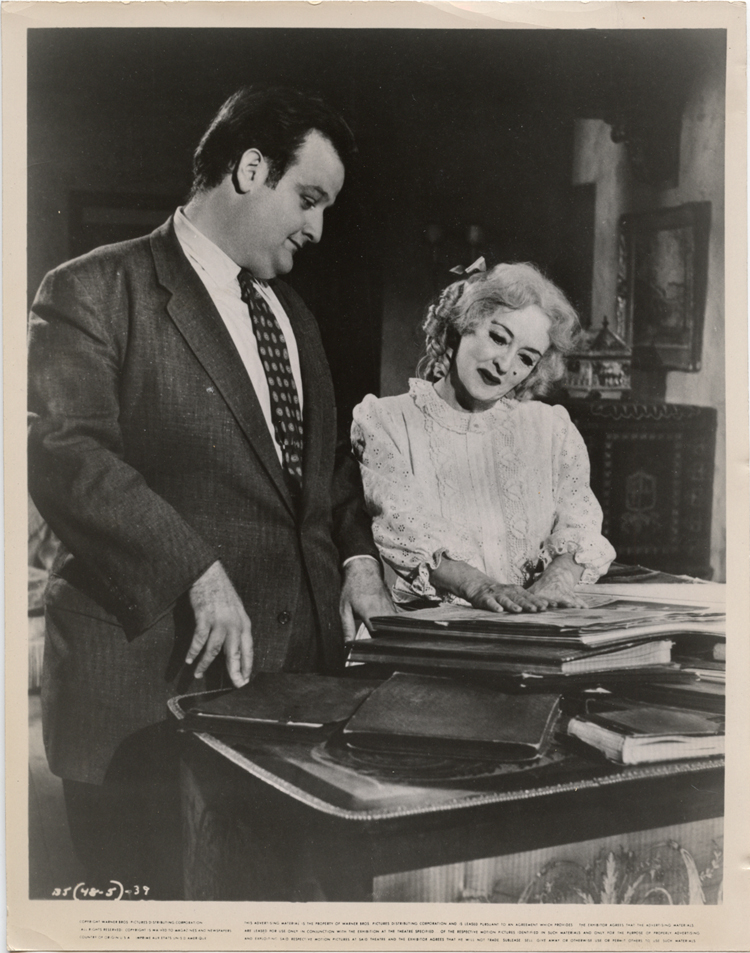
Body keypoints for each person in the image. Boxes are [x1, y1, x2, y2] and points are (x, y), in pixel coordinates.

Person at [27, 85, 392, 896]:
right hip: (145, 696)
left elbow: (326, 465)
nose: (317, 229)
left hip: (292, 695)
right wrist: (193, 566)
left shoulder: (294, 315)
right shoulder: (93, 289)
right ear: (250, 169)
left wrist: (359, 559)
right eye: (309, 199)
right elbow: (64, 452)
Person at [351, 261, 616, 613]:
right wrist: (481, 587)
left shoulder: (552, 428)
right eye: (498, 338)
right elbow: (402, 527)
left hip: (534, 624)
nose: (505, 365)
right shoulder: (386, 421)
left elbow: (580, 523)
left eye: (525, 358)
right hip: (430, 630)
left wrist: (557, 581)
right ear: (461, 327)